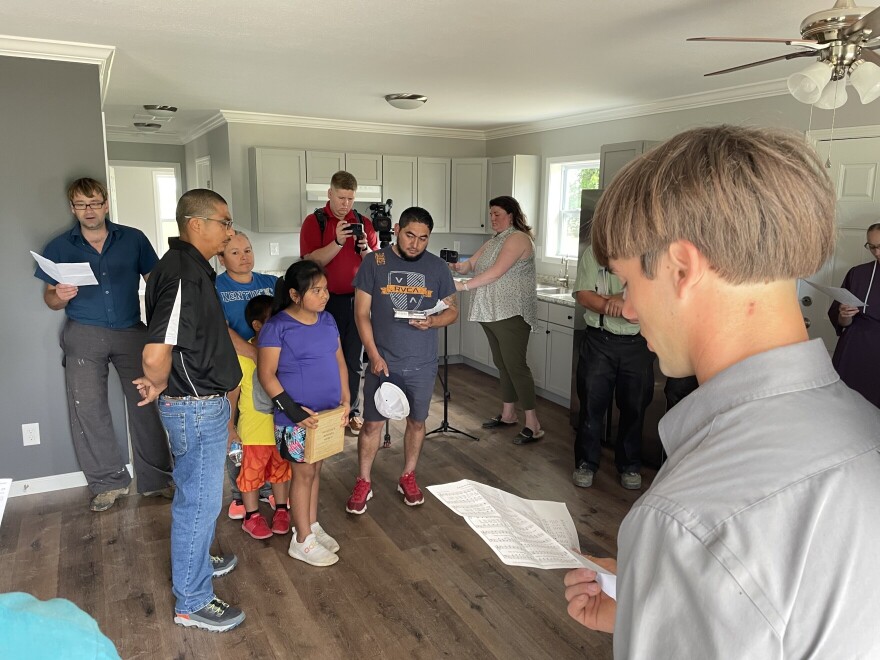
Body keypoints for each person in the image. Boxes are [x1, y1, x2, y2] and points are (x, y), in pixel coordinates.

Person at [563, 125, 880, 658]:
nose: (630, 307)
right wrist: (654, 598)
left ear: (681, 268)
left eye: (629, 281)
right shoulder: (864, 425)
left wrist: (671, 570)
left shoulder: (691, 519)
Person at [134, 188, 245, 633]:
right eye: (224, 222)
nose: (230, 231)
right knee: (198, 504)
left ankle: (198, 559)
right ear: (195, 224)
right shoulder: (182, 273)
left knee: (200, 498)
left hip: (199, 404)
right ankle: (193, 600)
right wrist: (159, 381)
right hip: (195, 407)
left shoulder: (190, 268)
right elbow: (157, 348)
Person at [34, 177, 173, 512]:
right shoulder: (59, 246)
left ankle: (157, 480)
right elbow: (50, 300)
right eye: (81, 204)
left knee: (147, 402)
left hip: (131, 331)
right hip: (83, 333)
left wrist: (161, 325)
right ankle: (108, 483)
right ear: (72, 208)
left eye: (94, 202)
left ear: (106, 203)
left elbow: (155, 282)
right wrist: (58, 294)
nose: (89, 210)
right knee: (89, 409)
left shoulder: (133, 239)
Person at [346, 207, 458, 514]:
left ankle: (408, 475)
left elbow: (452, 310)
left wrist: (432, 322)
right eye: (410, 235)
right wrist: (374, 354)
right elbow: (361, 313)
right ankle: (364, 480)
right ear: (397, 229)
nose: (416, 244)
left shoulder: (437, 268)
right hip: (384, 361)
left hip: (422, 363)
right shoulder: (375, 262)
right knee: (371, 424)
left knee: (417, 422)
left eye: (423, 238)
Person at [258, 260, 348, 566]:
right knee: (303, 472)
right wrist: (294, 411)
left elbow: (339, 362)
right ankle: (301, 541)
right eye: (317, 291)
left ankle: (310, 525)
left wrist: (347, 401)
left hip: (326, 416)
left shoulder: (328, 320)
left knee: (316, 468)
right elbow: (266, 375)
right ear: (295, 295)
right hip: (295, 418)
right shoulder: (277, 326)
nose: (325, 296)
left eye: (325, 289)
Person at [450, 196, 542, 443]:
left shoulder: (518, 239)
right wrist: (455, 267)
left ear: (511, 215)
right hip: (491, 311)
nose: (492, 218)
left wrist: (464, 286)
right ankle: (508, 414)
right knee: (503, 364)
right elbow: (470, 264)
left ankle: (533, 424)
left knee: (516, 366)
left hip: (511, 312)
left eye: (497, 214)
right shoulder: (494, 241)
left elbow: (496, 272)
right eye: (490, 214)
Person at [300, 171, 378, 435]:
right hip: (323, 303)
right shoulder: (316, 222)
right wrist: (337, 241)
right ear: (330, 194)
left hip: (358, 301)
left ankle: (352, 411)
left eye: (351, 198)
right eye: (341, 197)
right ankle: (326, 411)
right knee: (325, 359)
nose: (346, 204)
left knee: (355, 360)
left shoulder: (363, 222)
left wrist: (365, 249)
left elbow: (375, 265)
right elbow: (311, 262)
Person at [571, 246, 654, 490]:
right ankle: (586, 463)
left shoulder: (651, 253)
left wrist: (621, 300)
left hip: (639, 344)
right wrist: (615, 304)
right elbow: (584, 295)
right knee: (590, 406)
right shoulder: (592, 253)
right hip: (599, 341)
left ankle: (630, 466)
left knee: (635, 408)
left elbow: (652, 300)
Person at [215, 231, 277, 519]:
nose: (244, 257)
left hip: (270, 367)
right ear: (221, 257)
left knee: (265, 429)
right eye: (236, 252)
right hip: (234, 366)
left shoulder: (270, 283)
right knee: (236, 430)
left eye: (248, 250)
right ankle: (239, 494)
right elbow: (222, 328)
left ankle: (266, 488)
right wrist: (253, 354)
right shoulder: (216, 287)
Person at [229, 295, 291, 541]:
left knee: (281, 471)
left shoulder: (285, 353)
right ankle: (251, 516)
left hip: (281, 429)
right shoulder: (242, 356)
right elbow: (231, 396)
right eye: (274, 322)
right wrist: (230, 429)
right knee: (251, 474)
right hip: (253, 433)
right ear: (257, 325)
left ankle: (282, 509)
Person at [828, 223, 880, 409]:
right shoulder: (858, 273)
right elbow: (841, 321)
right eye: (872, 247)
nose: (877, 253)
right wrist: (845, 315)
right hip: (854, 351)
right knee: (846, 408)